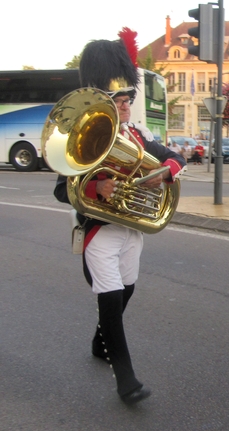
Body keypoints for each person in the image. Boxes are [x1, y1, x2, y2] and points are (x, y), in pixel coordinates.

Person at [53, 31, 187, 404]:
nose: (127, 106)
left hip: (132, 231)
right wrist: (96, 189)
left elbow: (177, 156)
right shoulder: (85, 140)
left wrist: (168, 170)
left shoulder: (138, 137)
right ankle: (125, 380)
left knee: (126, 290)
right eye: (120, 100)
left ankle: (100, 342)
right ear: (103, 103)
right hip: (100, 232)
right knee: (110, 299)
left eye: (128, 99)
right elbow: (61, 190)